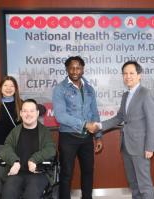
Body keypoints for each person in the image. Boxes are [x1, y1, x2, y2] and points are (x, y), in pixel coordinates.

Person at [91, 61, 154, 199]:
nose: (128, 76)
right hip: (126, 145)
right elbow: (120, 117)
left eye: (131, 73)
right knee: (133, 183)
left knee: (144, 184)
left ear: (139, 75)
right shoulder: (126, 95)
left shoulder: (145, 94)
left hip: (141, 147)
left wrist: (150, 147)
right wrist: (100, 126)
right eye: (125, 73)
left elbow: (152, 123)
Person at [52, 56, 103, 199]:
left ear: (83, 69)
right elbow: (60, 116)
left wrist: (98, 136)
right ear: (67, 69)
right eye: (72, 68)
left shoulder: (89, 89)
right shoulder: (60, 89)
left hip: (87, 138)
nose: (75, 71)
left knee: (88, 172)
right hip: (68, 137)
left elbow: (94, 113)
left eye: (78, 67)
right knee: (66, 173)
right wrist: (84, 124)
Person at [0, 99, 56, 199]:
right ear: (21, 113)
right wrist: (15, 162)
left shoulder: (44, 131)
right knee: (7, 193)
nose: (28, 114)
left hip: (38, 173)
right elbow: (6, 148)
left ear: (37, 113)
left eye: (31, 111)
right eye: (25, 111)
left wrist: (34, 159)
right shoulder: (15, 131)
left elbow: (51, 149)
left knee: (31, 195)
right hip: (17, 173)